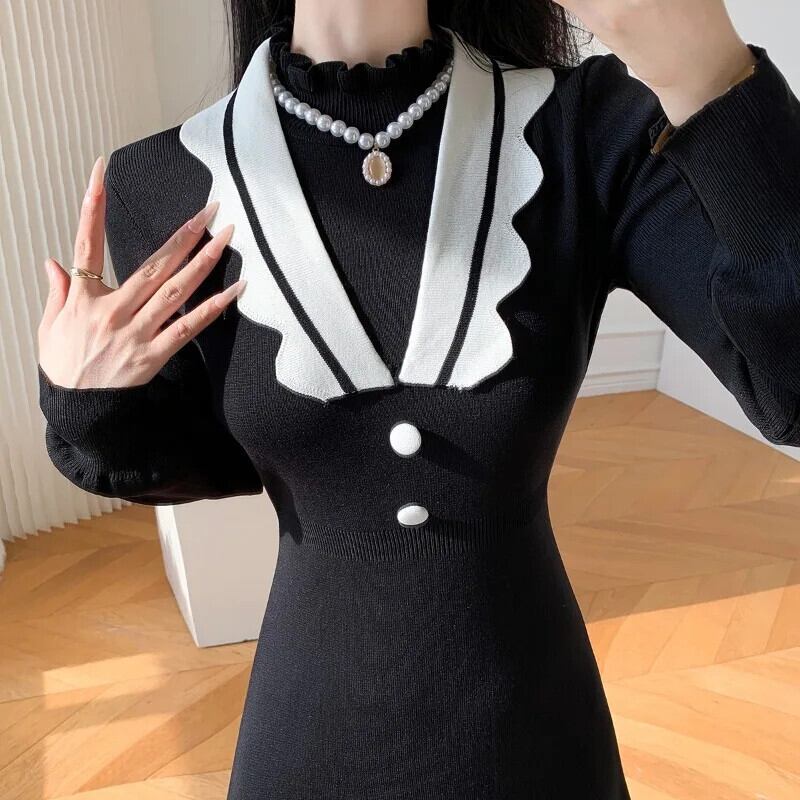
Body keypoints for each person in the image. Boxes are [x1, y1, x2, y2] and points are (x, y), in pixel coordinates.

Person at [36, 0, 800, 797]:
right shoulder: (162, 178)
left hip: (531, 734)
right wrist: (87, 399)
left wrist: (713, 74)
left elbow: (791, 390)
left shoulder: (582, 126)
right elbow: (218, 455)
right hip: (309, 732)